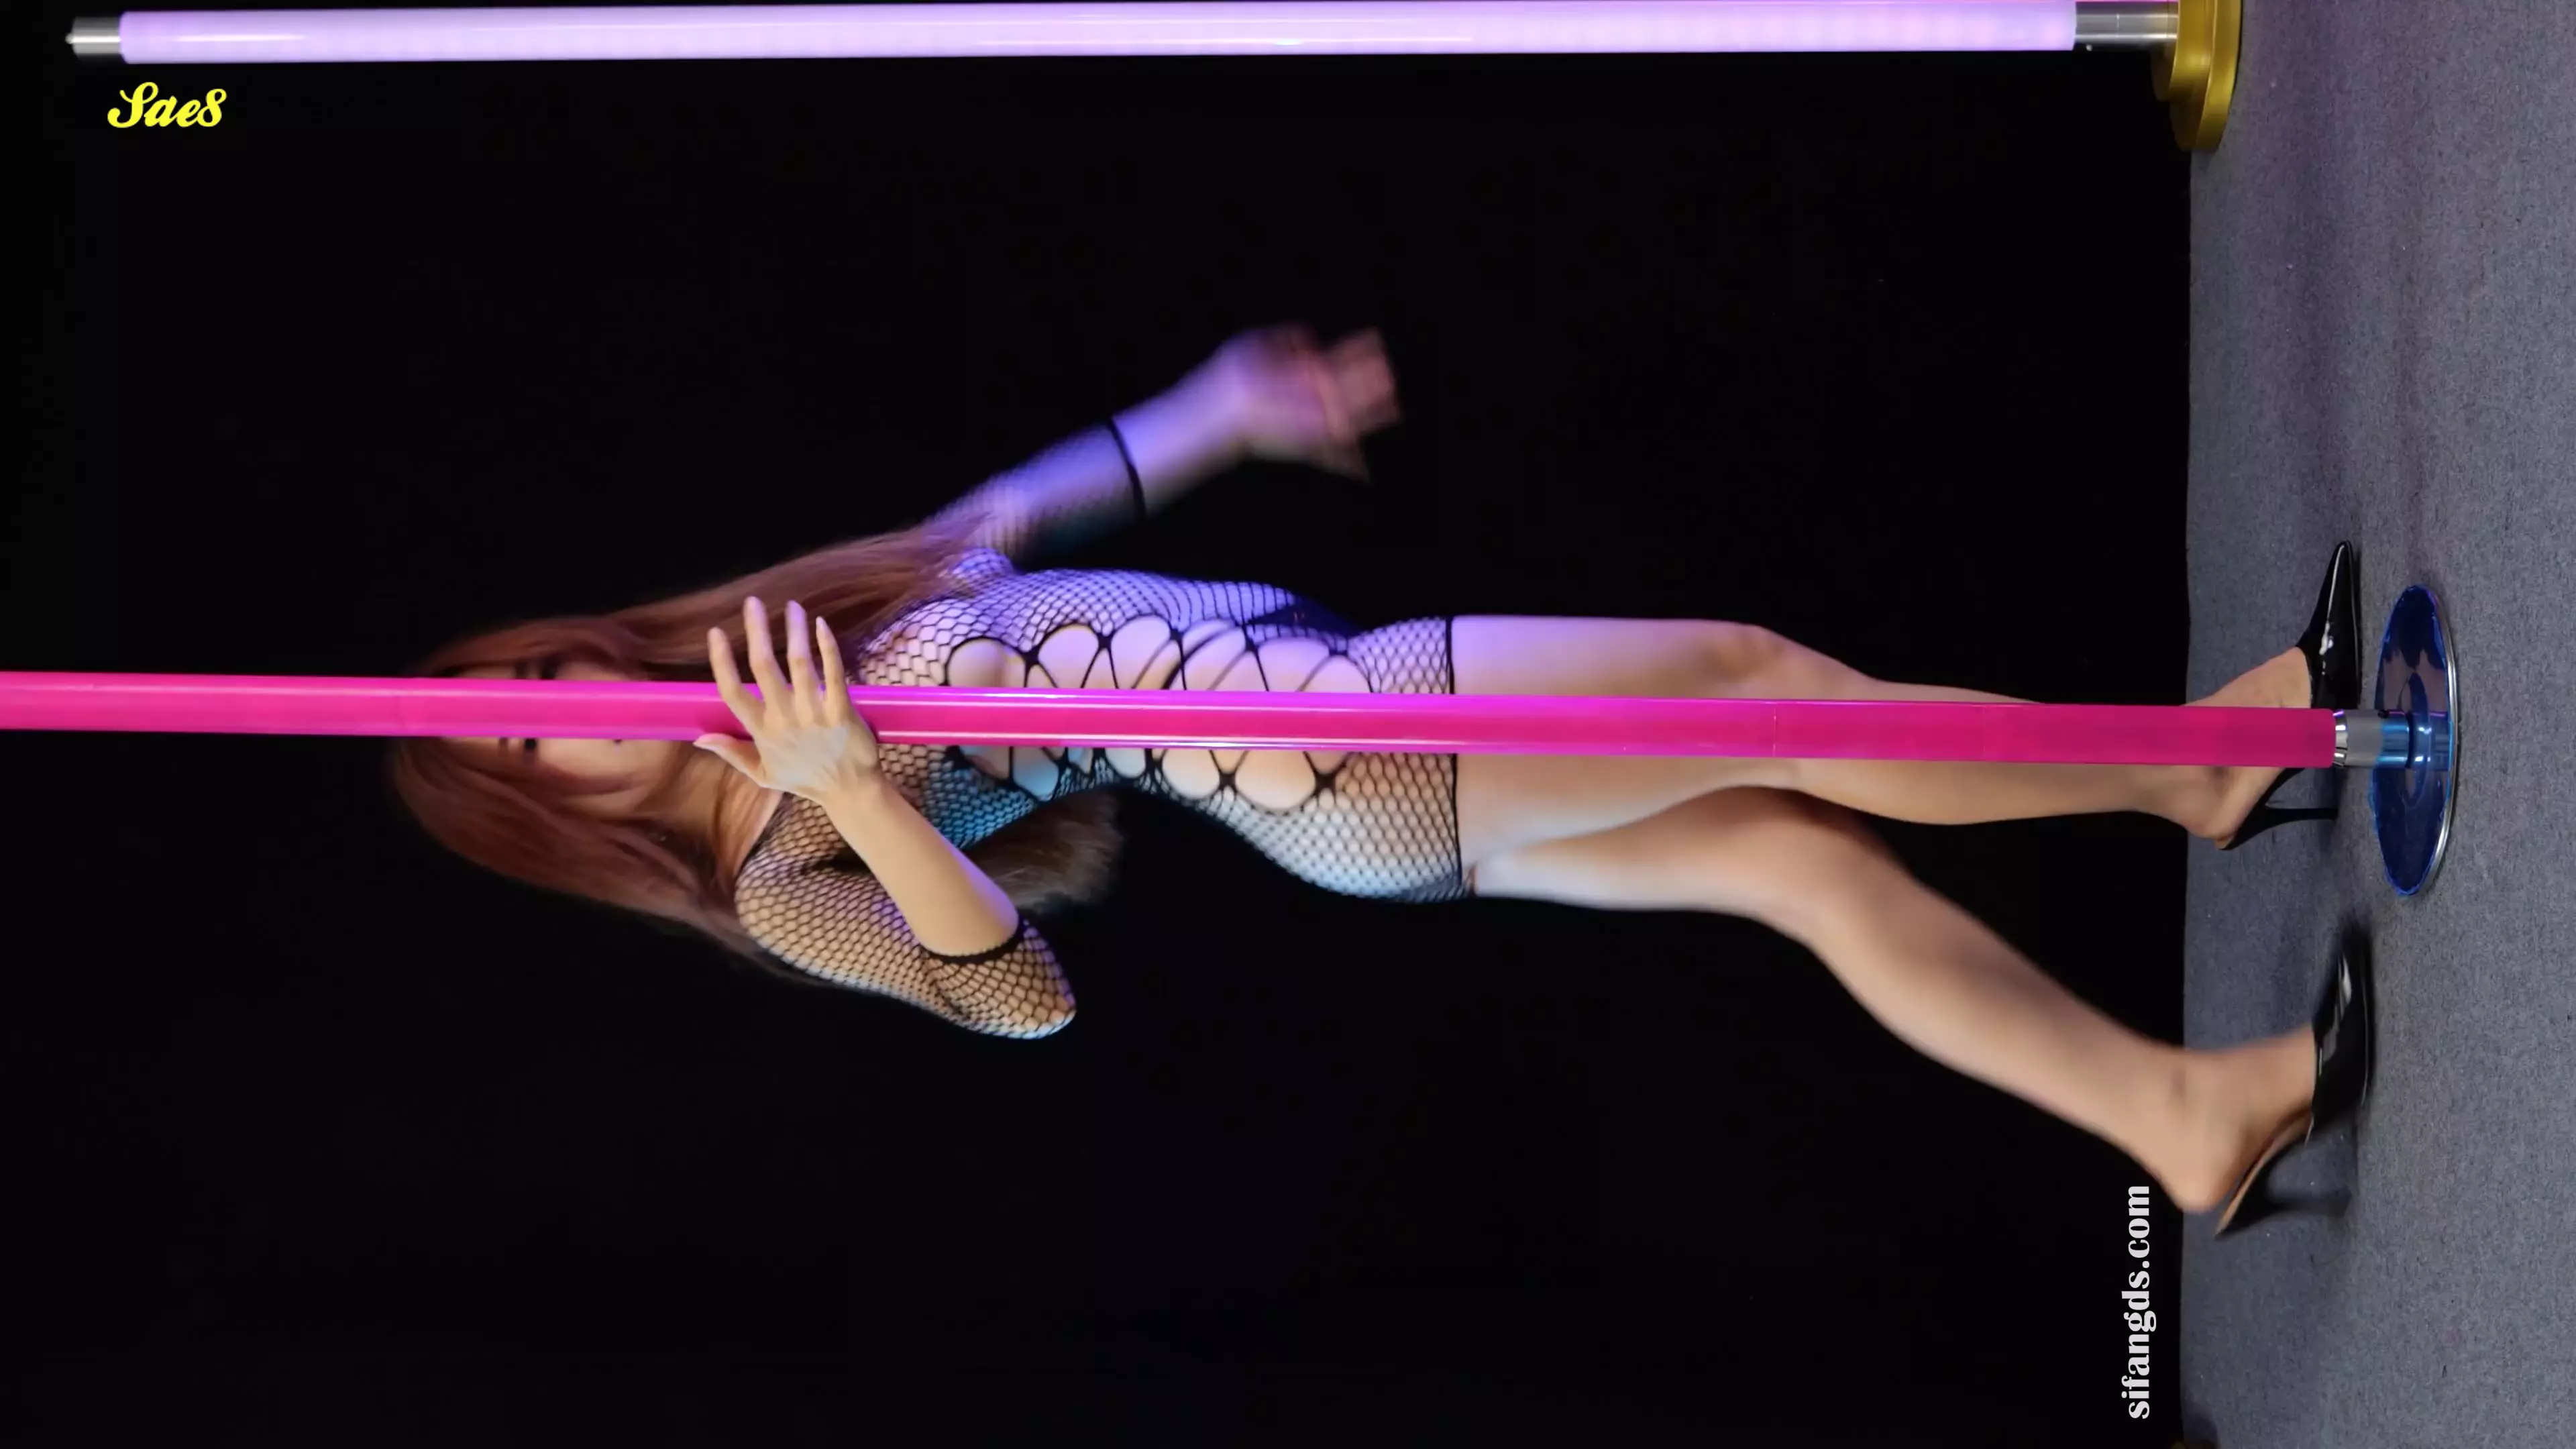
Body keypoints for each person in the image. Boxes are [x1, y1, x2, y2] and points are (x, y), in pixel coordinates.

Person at [392, 325, 2371, 1237]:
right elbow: (1018, 999)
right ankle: (2203, 768)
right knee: (1767, 688)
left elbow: (1011, 517)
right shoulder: (776, 867)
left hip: (1346, 749)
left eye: (545, 674)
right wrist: (862, 791)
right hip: (1346, 747)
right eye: (528, 739)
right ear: (561, 825)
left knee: (1802, 867)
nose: (569, 705)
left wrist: (1223, 408)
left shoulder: (793, 633)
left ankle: (2176, 1112)